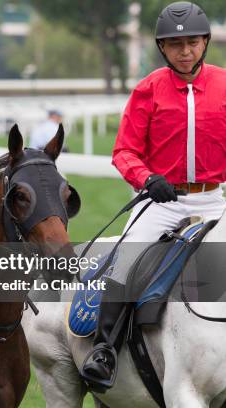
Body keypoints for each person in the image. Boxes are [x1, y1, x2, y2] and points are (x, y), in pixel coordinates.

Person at [80, 1, 226, 391]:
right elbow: (124, 151)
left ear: (205, 42)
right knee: (124, 261)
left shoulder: (225, 84)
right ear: (162, 48)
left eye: (193, 43)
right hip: (162, 203)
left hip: (214, 199)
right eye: (175, 45)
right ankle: (104, 350)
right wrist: (146, 178)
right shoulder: (148, 89)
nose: (185, 51)